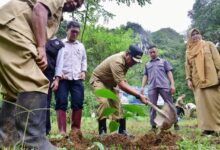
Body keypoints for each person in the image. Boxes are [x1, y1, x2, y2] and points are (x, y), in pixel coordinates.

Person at [0, 0, 83, 149]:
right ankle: (34, 142)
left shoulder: (59, 13)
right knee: (36, 83)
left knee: (15, 91)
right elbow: (39, 10)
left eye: (80, 3)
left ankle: (7, 140)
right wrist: (41, 47)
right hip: (14, 27)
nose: (76, 3)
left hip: (7, 26)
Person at [90, 45, 148, 136]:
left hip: (111, 84)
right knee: (103, 102)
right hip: (99, 80)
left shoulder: (127, 62)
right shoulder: (117, 61)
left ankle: (122, 131)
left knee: (118, 105)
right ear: (127, 54)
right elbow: (122, 85)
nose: (133, 63)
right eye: (133, 61)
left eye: (136, 62)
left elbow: (122, 80)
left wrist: (138, 94)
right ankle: (102, 131)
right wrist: (138, 96)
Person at [52, 20, 87, 134]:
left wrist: (83, 71)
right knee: (61, 101)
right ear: (67, 30)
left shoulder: (81, 46)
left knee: (78, 102)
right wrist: (57, 73)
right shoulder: (60, 44)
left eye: (77, 32)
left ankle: (76, 130)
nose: (75, 34)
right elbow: (54, 61)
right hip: (62, 78)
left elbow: (84, 60)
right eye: (73, 31)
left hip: (77, 78)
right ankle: (62, 131)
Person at [185, 28, 220, 136]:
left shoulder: (209, 45)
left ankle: (217, 127)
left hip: (212, 80)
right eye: (193, 34)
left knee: (215, 104)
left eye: (197, 33)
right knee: (202, 107)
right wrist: (189, 79)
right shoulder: (188, 51)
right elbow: (187, 67)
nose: (195, 36)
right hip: (197, 83)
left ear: (200, 35)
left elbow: (217, 60)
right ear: (190, 37)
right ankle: (207, 129)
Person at [141, 45, 179, 131]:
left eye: (154, 52)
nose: (152, 53)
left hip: (164, 85)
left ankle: (176, 123)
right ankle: (153, 126)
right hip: (152, 87)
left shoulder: (164, 62)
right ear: (148, 53)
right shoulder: (147, 65)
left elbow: (169, 73)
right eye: (150, 52)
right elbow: (145, 76)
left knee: (170, 104)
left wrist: (172, 84)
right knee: (152, 106)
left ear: (157, 52)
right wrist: (142, 87)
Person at [43, 38, 65, 135]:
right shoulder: (35, 35)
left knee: (45, 102)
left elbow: (59, 63)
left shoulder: (58, 44)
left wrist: (57, 79)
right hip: (32, 72)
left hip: (48, 74)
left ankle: (45, 130)